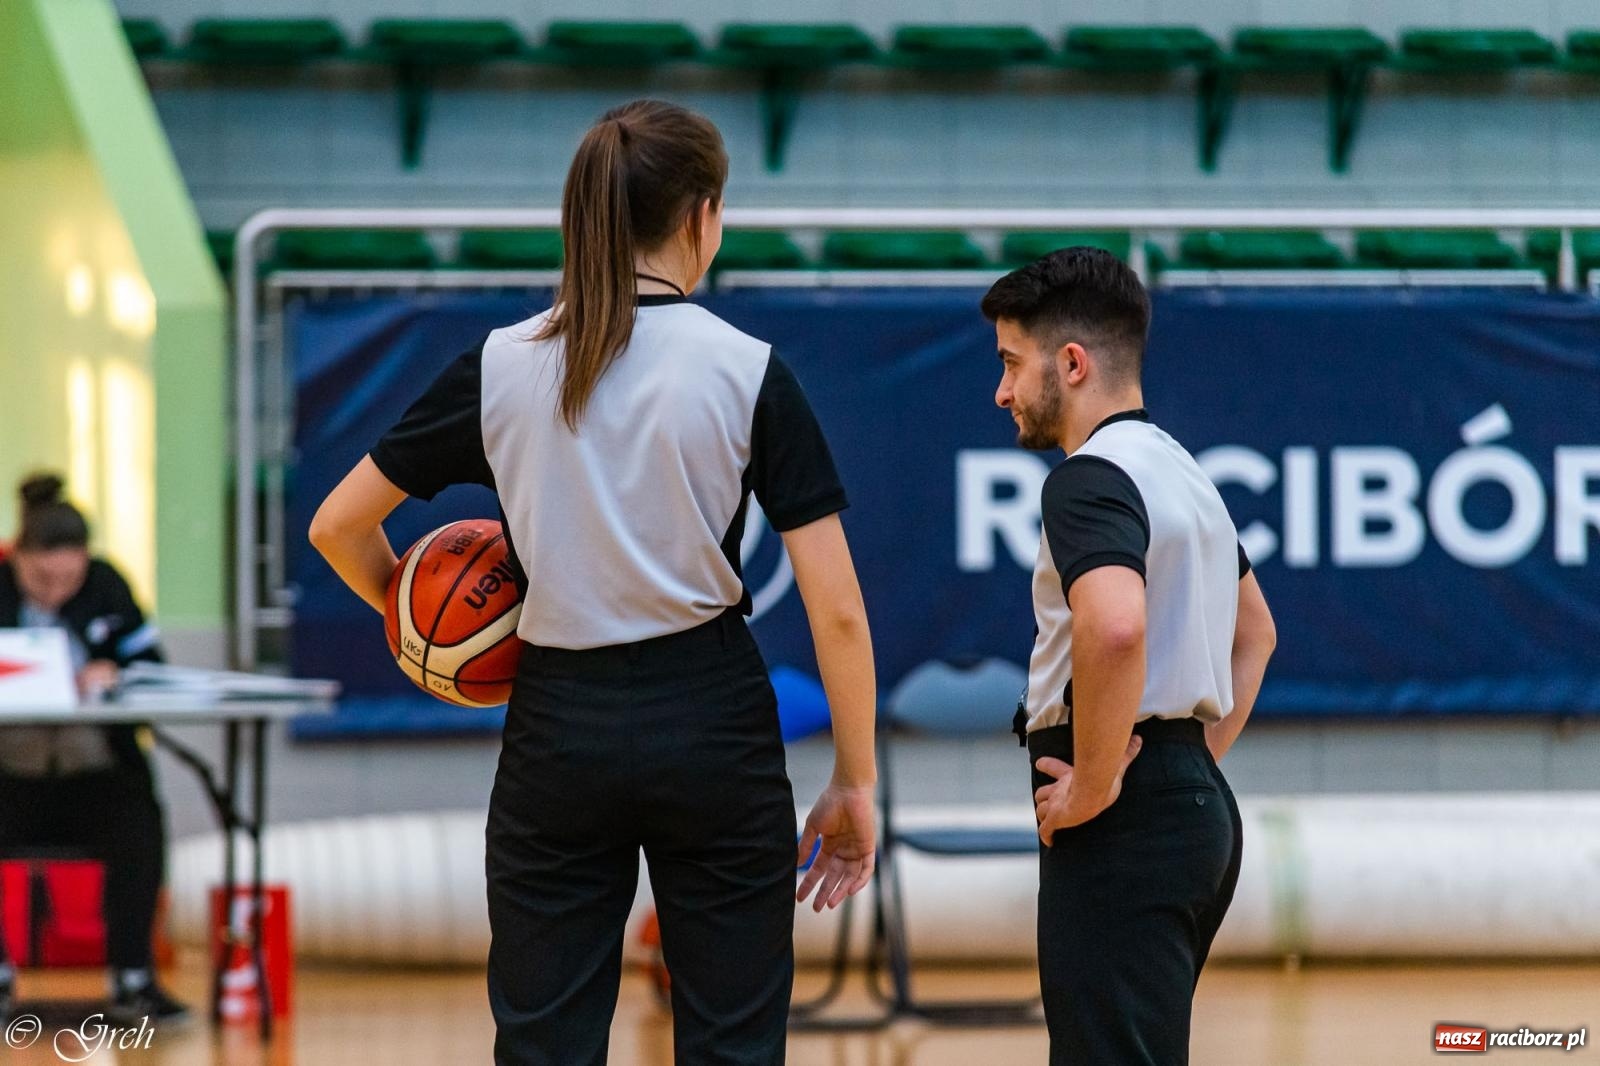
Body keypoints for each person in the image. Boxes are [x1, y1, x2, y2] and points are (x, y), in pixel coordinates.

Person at [310, 99, 878, 1065]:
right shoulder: (750, 370)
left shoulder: (498, 364)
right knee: (734, 1042)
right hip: (712, 717)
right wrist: (856, 781)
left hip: (556, 717)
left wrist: (422, 624)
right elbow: (837, 612)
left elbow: (336, 526)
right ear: (703, 217)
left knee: (543, 1043)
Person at [981, 248, 1277, 1065]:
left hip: (1126, 823)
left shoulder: (1089, 477)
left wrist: (1102, 781)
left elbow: (1114, 627)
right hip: (1191, 808)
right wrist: (1187, 768)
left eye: (1012, 364)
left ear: (1071, 364)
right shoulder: (1186, 473)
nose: (1001, 390)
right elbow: (1257, 635)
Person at [0, 474, 188, 1024]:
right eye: (41, 578)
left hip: (92, 775)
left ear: (86, 561)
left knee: (139, 819)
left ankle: (134, 977)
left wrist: (116, 671)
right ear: (17, 557)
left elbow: (153, 664)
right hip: (11, 776)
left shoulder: (107, 586)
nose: (56, 590)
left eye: (69, 577)